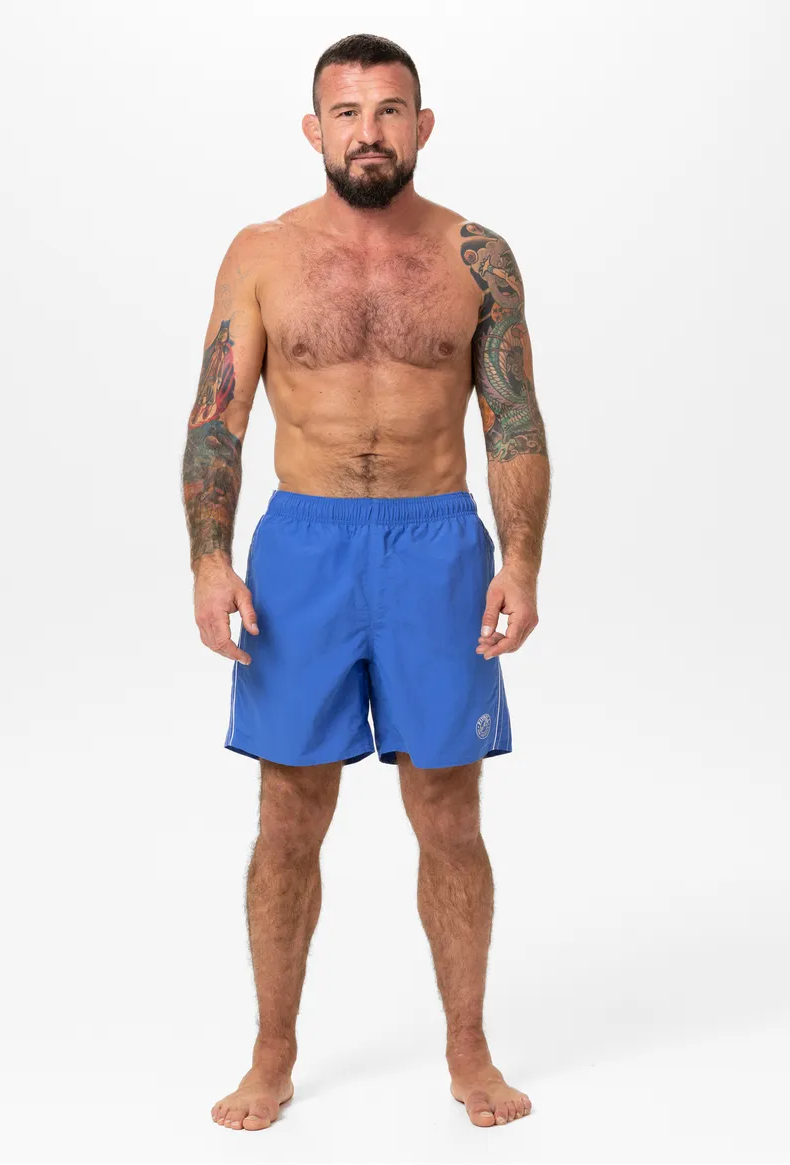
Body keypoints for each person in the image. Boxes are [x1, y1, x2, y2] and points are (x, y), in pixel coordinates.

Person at [181, 32, 550, 1133]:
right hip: (304, 545)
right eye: (347, 113)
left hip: (439, 545)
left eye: (390, 111)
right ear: (315, 130)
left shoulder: (478, 255)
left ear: (422, 126)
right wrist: (210, 559)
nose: (369, 133)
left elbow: (514, 419)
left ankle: (469, 1047)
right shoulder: (263, 253)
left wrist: (522, 560)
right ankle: (272, 1052)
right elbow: (217, 418)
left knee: (449, 811)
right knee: (288, 812)